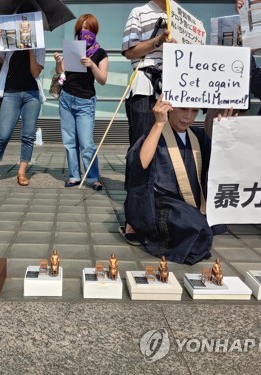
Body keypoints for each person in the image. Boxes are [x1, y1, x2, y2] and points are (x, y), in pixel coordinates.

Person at [125, 94, 230, 264]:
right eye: (183, 109)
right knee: (192, 226)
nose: (188, 116)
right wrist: (159, 123)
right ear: (170, 107)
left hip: (190, 202)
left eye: (194, 111)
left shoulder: (197, 135)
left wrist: (225, 134)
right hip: (162, 201)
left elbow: (219, 166)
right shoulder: (155, 132)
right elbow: (139, 166)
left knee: (215, 222)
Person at [120, 0, 176, 243]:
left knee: (170, 151)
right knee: (140, 150)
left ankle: (165, 214)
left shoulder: (182, 16)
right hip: (144, 85)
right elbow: (129, 52)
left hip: (175, 86)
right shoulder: (139, 12)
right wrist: (157, 42)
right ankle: (134, 216)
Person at [0, 26, 46, 187]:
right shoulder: (9, 41)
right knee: (3, 134)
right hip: (11, 93)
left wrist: (30, 49)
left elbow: (35, 72)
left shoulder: (39, 45)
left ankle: (22, 172)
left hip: (32, 94)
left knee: (28, 136)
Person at [53, 14, 108, 191]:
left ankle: (93, 177)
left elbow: (103, 79)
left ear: (94, 31)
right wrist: (59, 62)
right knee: (69, 141)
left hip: (85, 101)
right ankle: (74, 175)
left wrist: (92, 65)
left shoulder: (100, 52)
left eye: (89, 28)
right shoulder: (73, 49)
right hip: (67, 98)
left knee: (86, 143)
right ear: (78, 29)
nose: (86, 31)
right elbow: (62, 73)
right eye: (83, 28)